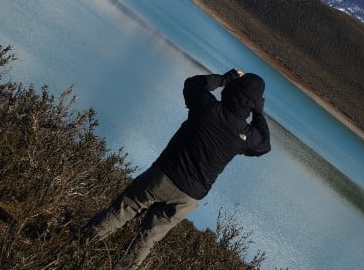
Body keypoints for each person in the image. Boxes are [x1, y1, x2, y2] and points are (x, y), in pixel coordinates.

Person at [83, 68, 271, 269]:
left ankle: (78, 247)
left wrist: (225, 78)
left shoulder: (207, 106)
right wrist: (258, 111)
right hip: (189, 197)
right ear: (252, 104)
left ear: (231, 90)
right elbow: (265, 145)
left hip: (164, 175)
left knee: (122, 211)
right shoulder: (246, 135)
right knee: (146, 240)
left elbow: (193, 83)